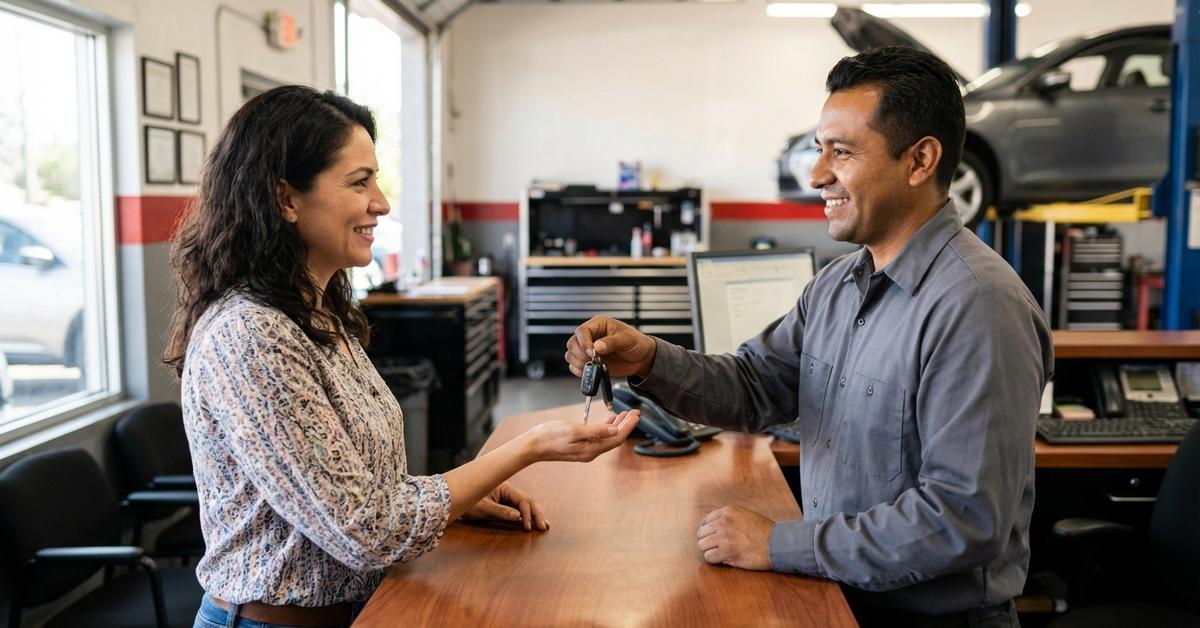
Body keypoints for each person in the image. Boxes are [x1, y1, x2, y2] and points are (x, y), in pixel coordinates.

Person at [566, 47, 1052, 628]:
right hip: (837, 596)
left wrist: (778, 544)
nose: (817, 175)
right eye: (820, 149)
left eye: (841, 152)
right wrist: (648, 359)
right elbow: (754, 386)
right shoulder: (837, 286)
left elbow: (962, 519)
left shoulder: (977, 306)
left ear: (920, 160)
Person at [164, 85, 639, 628]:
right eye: (359, 181)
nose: (382, 202)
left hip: (363, 607)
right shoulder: (251, 334)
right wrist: (528, 448)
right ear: (286, 199)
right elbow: (365, 530)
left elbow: (347, 483)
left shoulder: (315, 312)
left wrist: (455, 501)